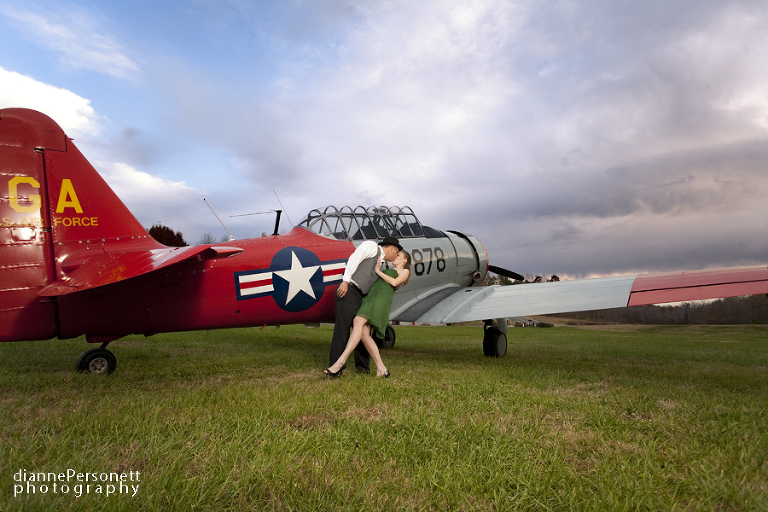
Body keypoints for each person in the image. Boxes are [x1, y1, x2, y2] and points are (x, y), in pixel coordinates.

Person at [325, 250, 411, 378]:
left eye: (398, 255)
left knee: (357, 322)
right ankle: (381, 369)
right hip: (371, 297)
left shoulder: (405, 271)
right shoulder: (387, 269)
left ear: (405, 260)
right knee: (364, 334)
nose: (395, 257)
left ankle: (340, 361)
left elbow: (394, 282)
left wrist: (378, 271)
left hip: (380, 300)